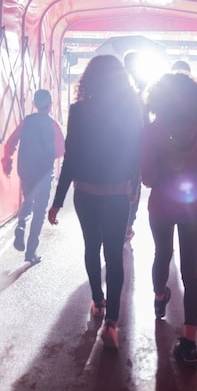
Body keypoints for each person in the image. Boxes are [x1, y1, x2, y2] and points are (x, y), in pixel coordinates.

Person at [48, 55, 143, 349]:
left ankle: (97, 302)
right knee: (115, 255)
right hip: (117, 192)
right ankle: (112, 323)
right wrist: (134, 191)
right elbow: (135, 156)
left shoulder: (79, 111)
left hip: (86, 192)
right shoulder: (131, 110)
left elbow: (71, 158)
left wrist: (57, 200)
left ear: (89, 79)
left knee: (92, 247)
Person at [141, 71, 197, 366]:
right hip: (195, 211)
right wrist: (192, 182)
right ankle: (189, 343)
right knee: (191, 272)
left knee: (162, 253)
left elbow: (147, 178)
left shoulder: (152, 131)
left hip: (161, 207)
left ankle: (160, 297)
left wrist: (166, 181)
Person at [2, 89, 65, 264]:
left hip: (26, 170)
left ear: (35, 104)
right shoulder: (53, 125)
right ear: (50, 105)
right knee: (39, 211)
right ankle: (31, 252)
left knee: (28, 201)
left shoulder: (26, 122)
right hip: (44, 173)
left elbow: (10, 143)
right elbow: (60, 150)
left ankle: (21, 225)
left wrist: (8, 160)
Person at [123, 50, 148, 242]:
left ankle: (122, 223)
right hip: (138, 145)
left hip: (120, 144)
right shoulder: (142, 86)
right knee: (135, 187)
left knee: (119, 184)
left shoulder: (117, 84)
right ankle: (129, 224)